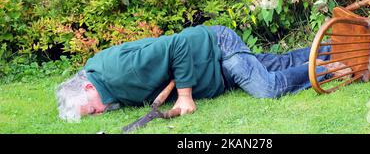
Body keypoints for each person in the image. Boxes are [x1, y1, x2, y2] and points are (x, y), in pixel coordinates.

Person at [56, 25, 349, 122]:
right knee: (275, 64)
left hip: (217, 46)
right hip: (213, 67)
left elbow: (178, 44)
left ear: (88, 89)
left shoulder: (120, 73)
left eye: (93, 110)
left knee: (266, 88)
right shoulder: (105, 80)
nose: (100, 112)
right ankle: (333, 48)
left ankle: (324, 70)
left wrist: (185, 96)